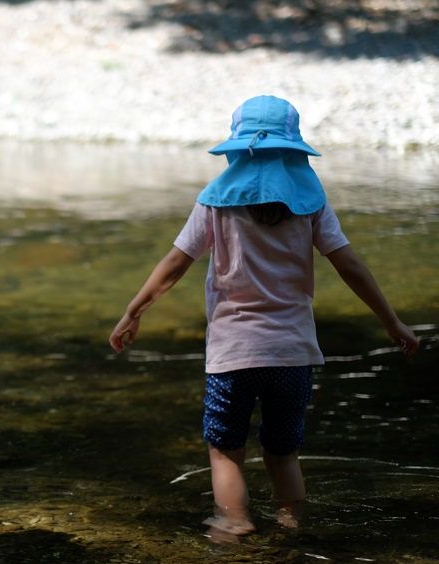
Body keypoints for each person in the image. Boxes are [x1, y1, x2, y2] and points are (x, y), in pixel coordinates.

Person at [108, 95, 419, 537]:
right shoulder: (310, 203)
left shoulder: (215, 203)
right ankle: (291, 524)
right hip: (292, 356)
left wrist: (133, 311)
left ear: (235, 146)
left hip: (233, 355)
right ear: (294, 147)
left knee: (225, 451)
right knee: (284, 452)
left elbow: (175, 263)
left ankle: (234, 524)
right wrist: (392, 322)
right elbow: (349, 265)